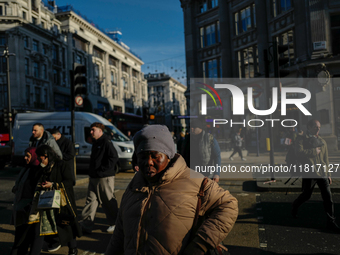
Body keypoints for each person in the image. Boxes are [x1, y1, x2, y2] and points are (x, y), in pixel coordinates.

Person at [105, 125, 238, 255]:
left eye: (155, 155)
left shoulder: (198, 183)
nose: (148, 162)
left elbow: (229, 205)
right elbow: (118, 236)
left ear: (168, 156)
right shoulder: (133, 186)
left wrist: (199, 245)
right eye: (143, 156)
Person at [291, 119, 340, 232]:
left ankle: (331, 222)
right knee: (306, 195)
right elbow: (298, 153)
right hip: (309, 172)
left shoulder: (322, 141)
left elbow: (326, 159)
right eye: (315, 127)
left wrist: (328, 174)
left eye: (319, 127)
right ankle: (295, 206)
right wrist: (314, 151)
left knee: (328, 198)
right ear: (309, 127)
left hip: (322, 173)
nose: (318, 129)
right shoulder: (301, 139)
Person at [35, 145, 82, 255]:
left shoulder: (62, 164)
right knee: (52, 222)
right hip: (49, 200)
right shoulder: (44, 167)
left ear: (46, 156)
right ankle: (54, 243)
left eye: (40, 157)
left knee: (66, 223)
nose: (38, 159)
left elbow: (70, 181)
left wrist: (54, 184)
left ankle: (73, 249)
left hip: (63, 201)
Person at [80, 122, 119, 234]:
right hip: (94, 177)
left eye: (93, 130)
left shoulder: (106, 142)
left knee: (107, 200)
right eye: (91, 130)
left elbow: (114, 157)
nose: (91, 132)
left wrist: (102, 170)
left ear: (100, 131)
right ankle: (86, 224)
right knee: (91, 201)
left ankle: (115, 223)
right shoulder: (96, 142)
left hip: (104, 177)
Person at [10, 147, 44, 255]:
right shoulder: (27, 168)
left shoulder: (39, 170)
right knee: (21, 235)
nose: (25, 158)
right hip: (22, 206)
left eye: (28, 156)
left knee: (29, 235)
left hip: (31, 207)